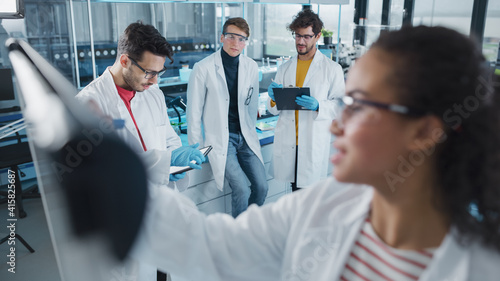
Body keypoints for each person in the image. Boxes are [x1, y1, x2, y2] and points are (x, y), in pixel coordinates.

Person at [131, 26, 500, 280]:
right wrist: (117, 176)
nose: (338, 124)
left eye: (357, 105)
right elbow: (209, 246)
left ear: (423, 131)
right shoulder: (326, 205)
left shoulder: (485, 268)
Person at [76, 21, 204, 281]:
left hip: (161, 207)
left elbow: (168, 137)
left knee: (163, 271)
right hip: (124, 216)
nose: (155, 80)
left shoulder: (152, 92)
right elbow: (106, 169)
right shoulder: (89, 104)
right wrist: (165, 161)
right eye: (149, 72)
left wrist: (176, 165)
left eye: (159, 72)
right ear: (125, 60)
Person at [187, 17, 268, 217]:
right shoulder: (203, 68)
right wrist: (196, 148)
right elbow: (193, 112)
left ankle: (247, 226)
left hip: (246, 137)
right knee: (241, 188)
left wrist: (251, 129)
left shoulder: (251, 66)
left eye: (242, 39)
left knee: (262, 187)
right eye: (231, 37)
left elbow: (252, 105)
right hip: (222, 140)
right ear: (222, 37)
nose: (236, 43)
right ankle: (235, 238)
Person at [267, 9, 345, 191]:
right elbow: (273, 110)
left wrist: (319, 106)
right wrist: (273, 99)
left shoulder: (332, 69)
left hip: (311, 142)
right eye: (297, 36)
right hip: (289, 143)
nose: (300, 42)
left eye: (306, 37)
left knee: (307, 196)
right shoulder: (285, 68)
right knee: (295, 194)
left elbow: (340, 106)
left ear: (317, 36)